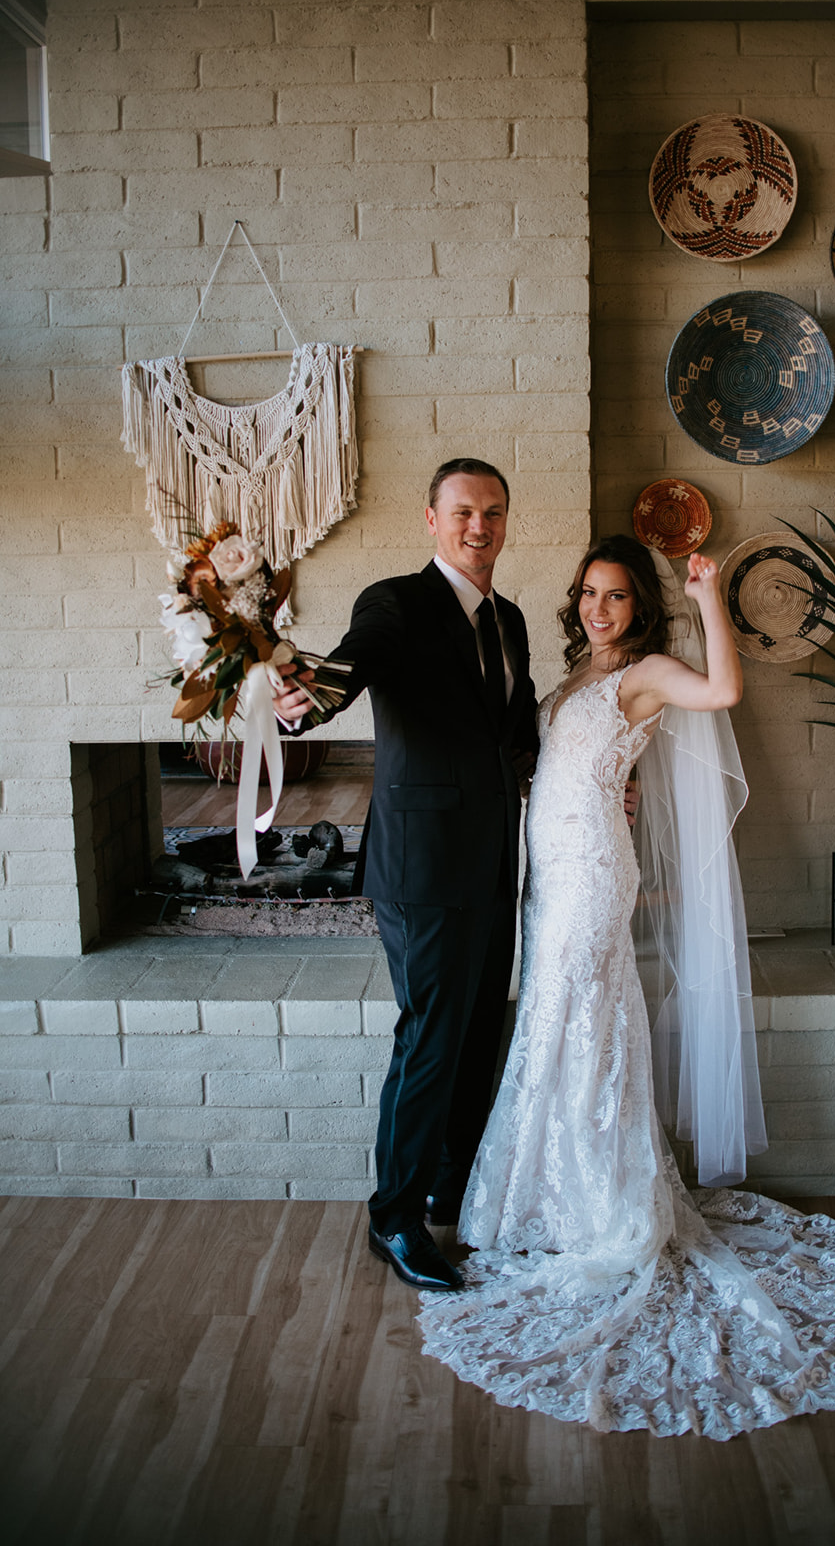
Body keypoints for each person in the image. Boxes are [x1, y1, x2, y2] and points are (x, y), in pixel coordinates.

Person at [418, 535, 835, 1440]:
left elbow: (721, 692)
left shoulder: (646, 672)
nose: (599, 608)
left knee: (582, 1017)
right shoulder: (572, 673)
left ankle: (601, 1202)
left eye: (615, 596)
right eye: (589, 594)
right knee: (562, 1021)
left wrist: (709, 594)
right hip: (550, 870)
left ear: (639, 605)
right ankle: (551, 1191)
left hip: (596, 874)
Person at [274, 459, 538, 1293]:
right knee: (429, 1039)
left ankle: (449, 1189)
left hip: (496, 861)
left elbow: (518, 731)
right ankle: (392, 1219)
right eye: (462, 512)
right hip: (423, 870)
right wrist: (305, 698)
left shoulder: (511, 618)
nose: (479, 528)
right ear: (431, 519)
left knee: (474, 1036)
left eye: (493, 513)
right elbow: (352, 667)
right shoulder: (396, 602)